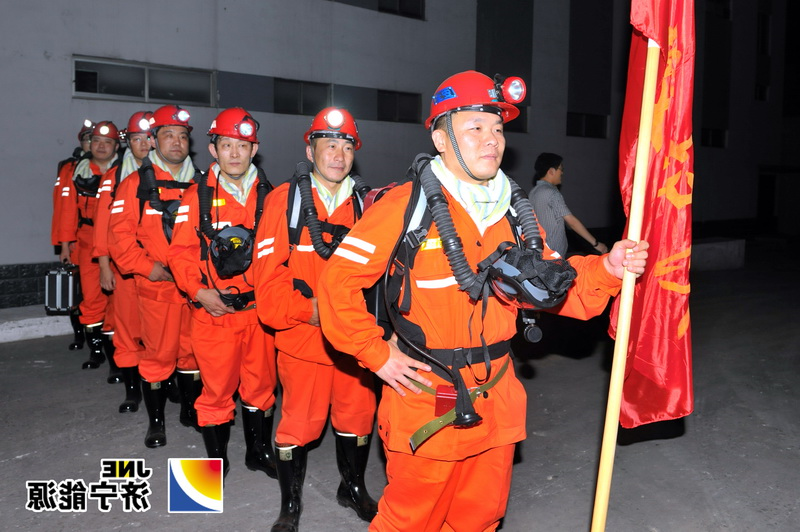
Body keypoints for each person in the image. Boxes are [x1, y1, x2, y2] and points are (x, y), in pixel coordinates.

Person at [317, 70, 649, 531]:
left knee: (481, 521)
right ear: (440, 139)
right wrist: (375, 353)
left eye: (497, 128)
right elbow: (337, 284)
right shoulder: (404, 207)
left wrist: (608, 269)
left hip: (496, 398)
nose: (491, 139)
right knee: (408, 523)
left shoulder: (515, 214)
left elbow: (557, 286)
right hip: (428, 399)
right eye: (474, 127)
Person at [253, 107, 378, 531]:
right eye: (329, 145)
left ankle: (353, 488)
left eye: (347, 147)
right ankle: (290, 505)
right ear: (311, 150)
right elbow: (267, 284)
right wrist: (312, 312)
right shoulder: (284, 201)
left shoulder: (367, 205)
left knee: (358, 417)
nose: (338, 155)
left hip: (355, 343)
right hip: (305, 340)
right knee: (298, 425)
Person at [168, 107, 279, 479]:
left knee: (261, 388)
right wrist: (199, 292)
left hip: (258, 314)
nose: (234, 153)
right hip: (214, 314)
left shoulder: (270, 196)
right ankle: (214, 466)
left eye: (242, 146)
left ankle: (258, 452)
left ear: (254, 150)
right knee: (215, 392)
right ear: (213, 149)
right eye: (226, 145)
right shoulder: (197, 196)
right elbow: (180, 253)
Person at [108, 105, 201, 448]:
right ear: (153, 140)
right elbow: (119, 239)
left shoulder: (203, 183)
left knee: (192, 354)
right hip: (158, 288)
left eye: (182, 136)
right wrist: (150, 269)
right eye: (168, 135)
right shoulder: (134, 185)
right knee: (158, 357)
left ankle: (189, 410)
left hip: (195, 290)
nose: (176, 142)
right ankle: (156, 423)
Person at [92, 111, 153, 411]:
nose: (144, 144)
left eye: (148, 138)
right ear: (128, 142)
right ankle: (132, 390)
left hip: (160, 268)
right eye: (137, 139)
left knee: (163, 331)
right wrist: (104, 266)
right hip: (125, 268)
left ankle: (165, 385)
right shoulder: (114, 178)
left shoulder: (176, 175)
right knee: (128, 329)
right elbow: (102, 225)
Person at [57, 120, 120, 375]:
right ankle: (96, 352)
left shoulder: (126, 171)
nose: (101, 146)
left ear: (116, 146)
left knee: (119, 302)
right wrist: (65, 246)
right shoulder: (76, 172)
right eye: (96, 141)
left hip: (118, 242)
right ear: (89, 144)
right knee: (92, 299)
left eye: (107, 142)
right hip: (86, 240)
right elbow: (67, 211)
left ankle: (118, 359)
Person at [52, 120, 94, 352]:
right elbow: (63, 209)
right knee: (77, 291)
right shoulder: (70, 169)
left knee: (100, 294)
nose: (92, 143)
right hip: (77, 239)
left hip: (99, 238)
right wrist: (64, 244)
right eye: (88, 139)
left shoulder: (115, 167)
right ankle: (81, 336)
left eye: (96, 139)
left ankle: (99, 342)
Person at [529, 152, 608, 258]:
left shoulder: (533, 192)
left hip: (539, 252)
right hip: (553, 255)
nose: (562, 173)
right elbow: (571, 222)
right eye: (560, 169)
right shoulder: (551, 192)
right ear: (551, 171)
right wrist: (596, 244)